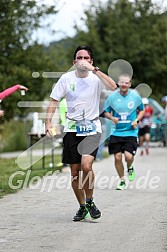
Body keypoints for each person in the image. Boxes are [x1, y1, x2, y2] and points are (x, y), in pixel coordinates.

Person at [45, 45, 117, 221]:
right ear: (74, 61)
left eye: (86, 58)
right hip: (71, 128)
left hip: (92, 128)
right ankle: (82, 206)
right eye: (79, 57)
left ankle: (90, 200)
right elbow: (54, 101)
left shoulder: (96, 78)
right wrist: (48, 122)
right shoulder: (66, 78)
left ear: (91, 61)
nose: (82, 61)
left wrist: (95, 70)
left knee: (86, 166)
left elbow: (113, 87)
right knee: (75, 172)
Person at [104, 74, 145, 190]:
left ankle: (130, 167)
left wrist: (136, 120)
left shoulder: (135, 97)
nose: (124, 85)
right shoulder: (112, 97)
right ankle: (122, 180)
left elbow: (142, 110)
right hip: (115, 132)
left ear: (130, 84)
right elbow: (106, 112)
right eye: (122, 82)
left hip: (130, 132)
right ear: (118, 83)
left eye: (126, 83)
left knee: (128, 156)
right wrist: (112, 118)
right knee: (117, 158)